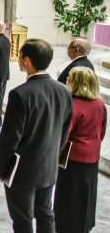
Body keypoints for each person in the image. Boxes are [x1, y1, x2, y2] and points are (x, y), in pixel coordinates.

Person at [0, 39, 72, 233]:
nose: (19, 59)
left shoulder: (20, 94)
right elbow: (65, 130)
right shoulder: (64, 91)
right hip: (48, 167)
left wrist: (1, 168)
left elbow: (10, 138)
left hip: (23, 171)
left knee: (22, 218)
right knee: (45, 214)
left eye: (20, 56)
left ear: (27, 60)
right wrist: (54, 155)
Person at [54, 67, 106, 233]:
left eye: (70, 78)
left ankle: (66, 226)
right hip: (92, 156)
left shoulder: (72, 105)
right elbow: (102, 131)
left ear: (76, 82)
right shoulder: (100, 104)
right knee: (87, 193)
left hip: (72, 157)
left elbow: (63, 135)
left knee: (69, 194)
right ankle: (85, 225)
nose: (67, 80)